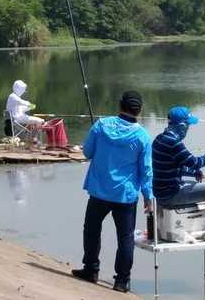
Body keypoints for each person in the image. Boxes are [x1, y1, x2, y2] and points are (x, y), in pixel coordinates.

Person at [72, 91, 153, 293]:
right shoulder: (142, 136)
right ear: (139, 110)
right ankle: (122, 281)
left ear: (119, 105)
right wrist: (148, 196)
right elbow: (146, 171)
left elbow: (87, 152)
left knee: (91, 230)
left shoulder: (101, 125)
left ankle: (91, 269)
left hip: (99, 191)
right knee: (125, 238)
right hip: (125, 195)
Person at [152, 106, 205, 241]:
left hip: (161, 194)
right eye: (188, 125)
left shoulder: (159, 139)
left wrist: (193, 173)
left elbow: (175, 166)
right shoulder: (174, 143)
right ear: (182, 126)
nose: (188, 128)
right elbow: (196, 162)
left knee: (200, 184)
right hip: (171, 195)